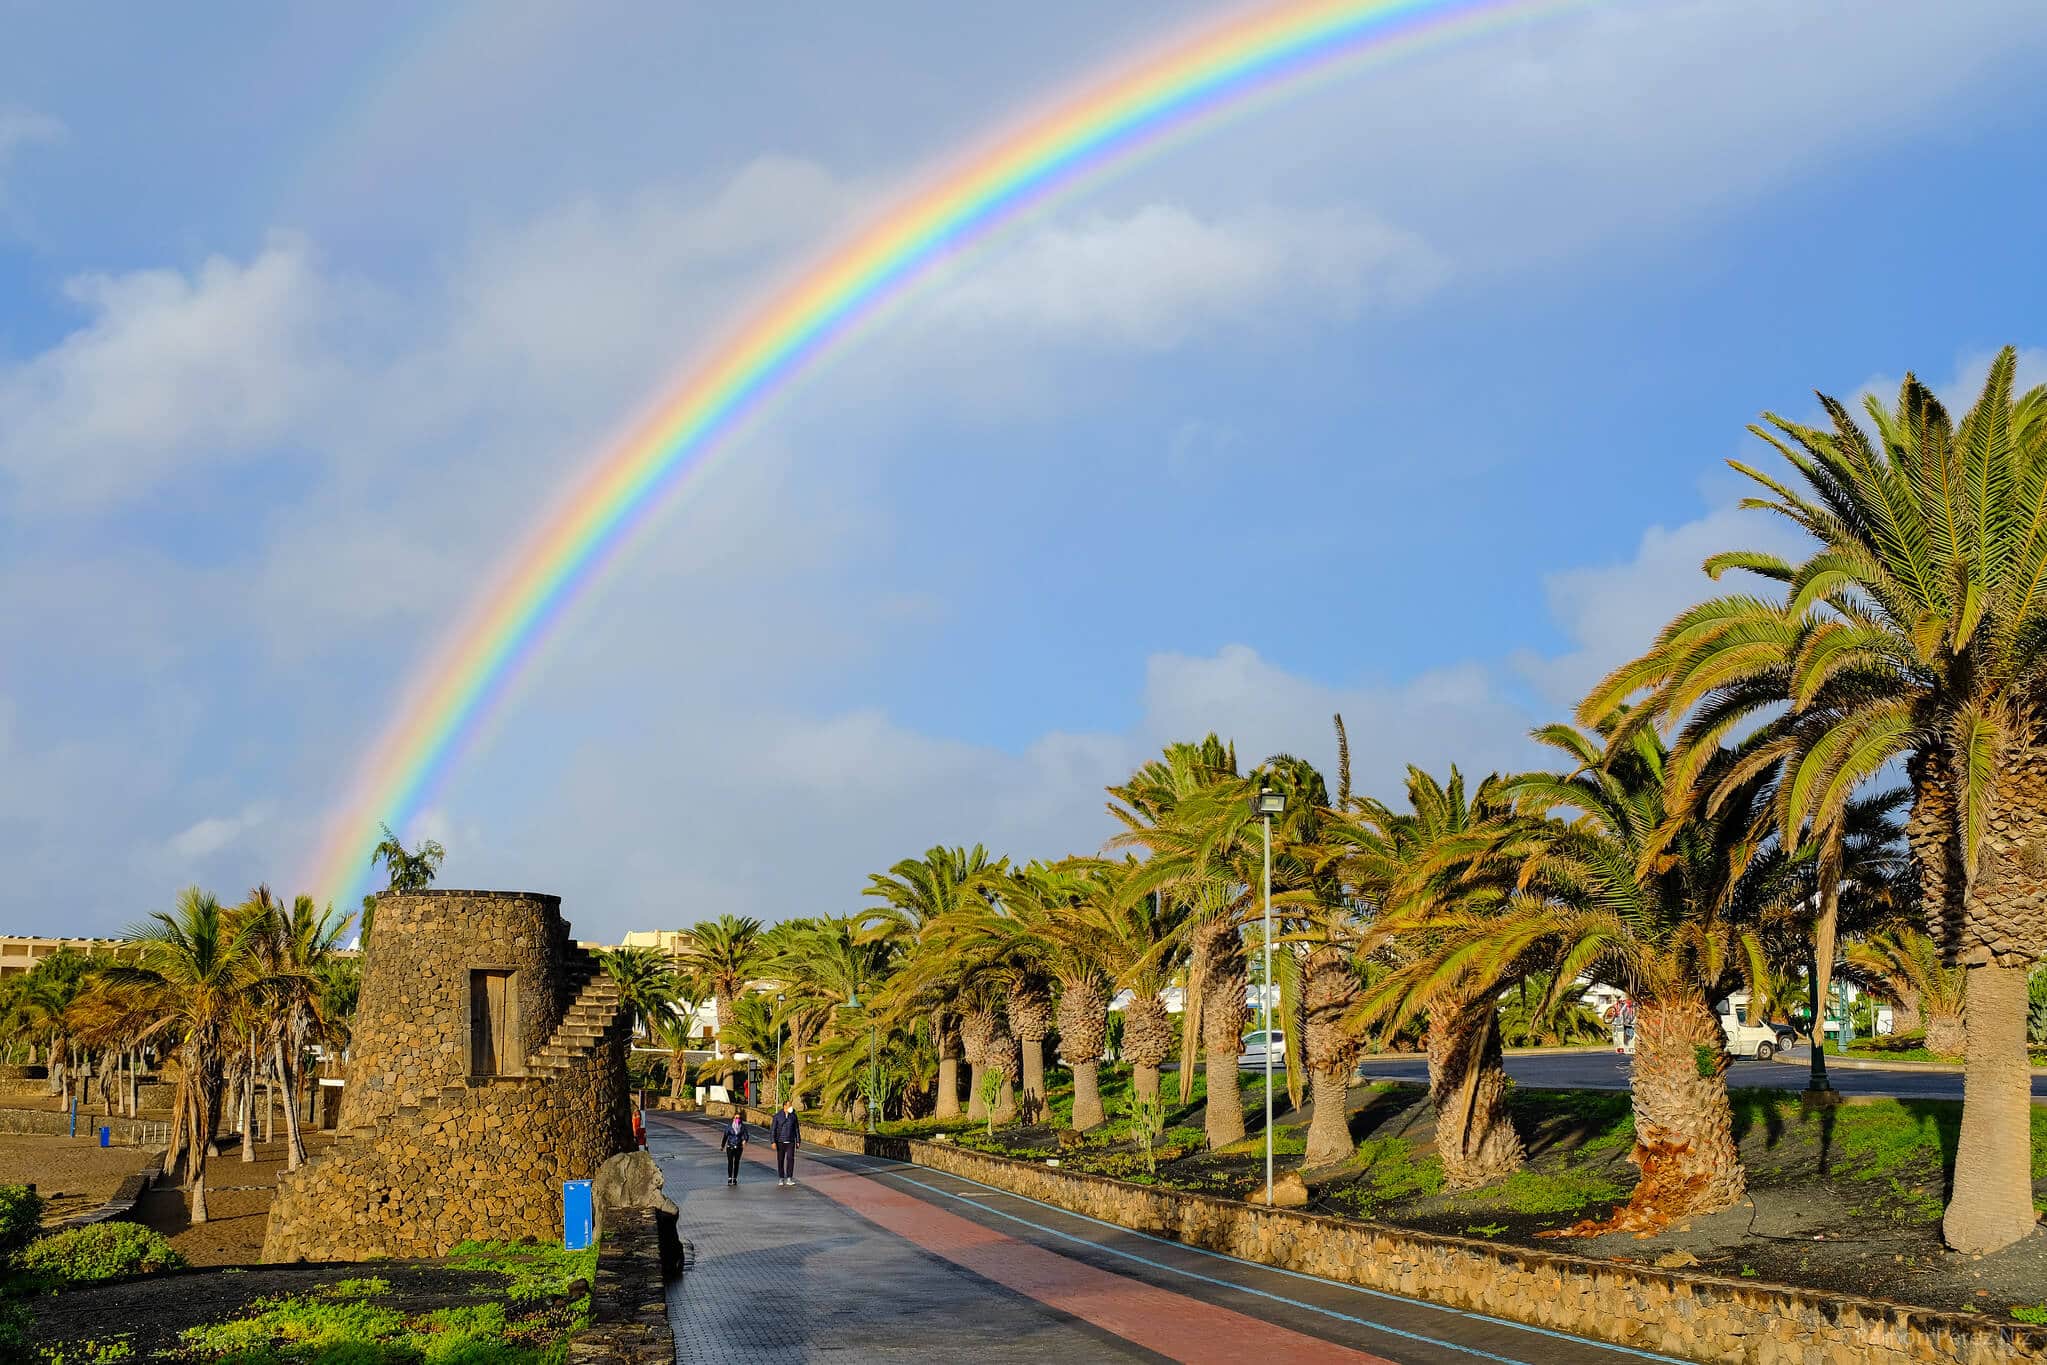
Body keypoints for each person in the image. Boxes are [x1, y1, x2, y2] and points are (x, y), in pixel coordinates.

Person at [771, 1098, 800, 1187]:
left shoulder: (793, 1116)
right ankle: (781, 1178)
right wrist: (773, 1141)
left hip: (791, 1141)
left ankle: (789, 1178)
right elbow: (773, 1130)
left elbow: (796, 1129)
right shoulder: (777, 1116)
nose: (791, 1107)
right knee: (780, 1160)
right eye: (789, 1105)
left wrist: (798, 1140)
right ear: (785, 1106)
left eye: (791, 1105)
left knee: (790, 1159)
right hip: (780, 1141)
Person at [720, 1114, 747, 1185]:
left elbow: (746, 1135)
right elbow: (725, 1136)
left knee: (736, 1162)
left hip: (739, 1147)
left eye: (739, 1118)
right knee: (730, 1162)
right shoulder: (729, 1126)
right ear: (733, 1119)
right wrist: (722, 1146)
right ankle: (729, 1178)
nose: (737, 1119)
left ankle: (734, 1178)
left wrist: (744, 1140)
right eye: (736, 1118)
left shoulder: (742, 1127)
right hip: (730, 1147)